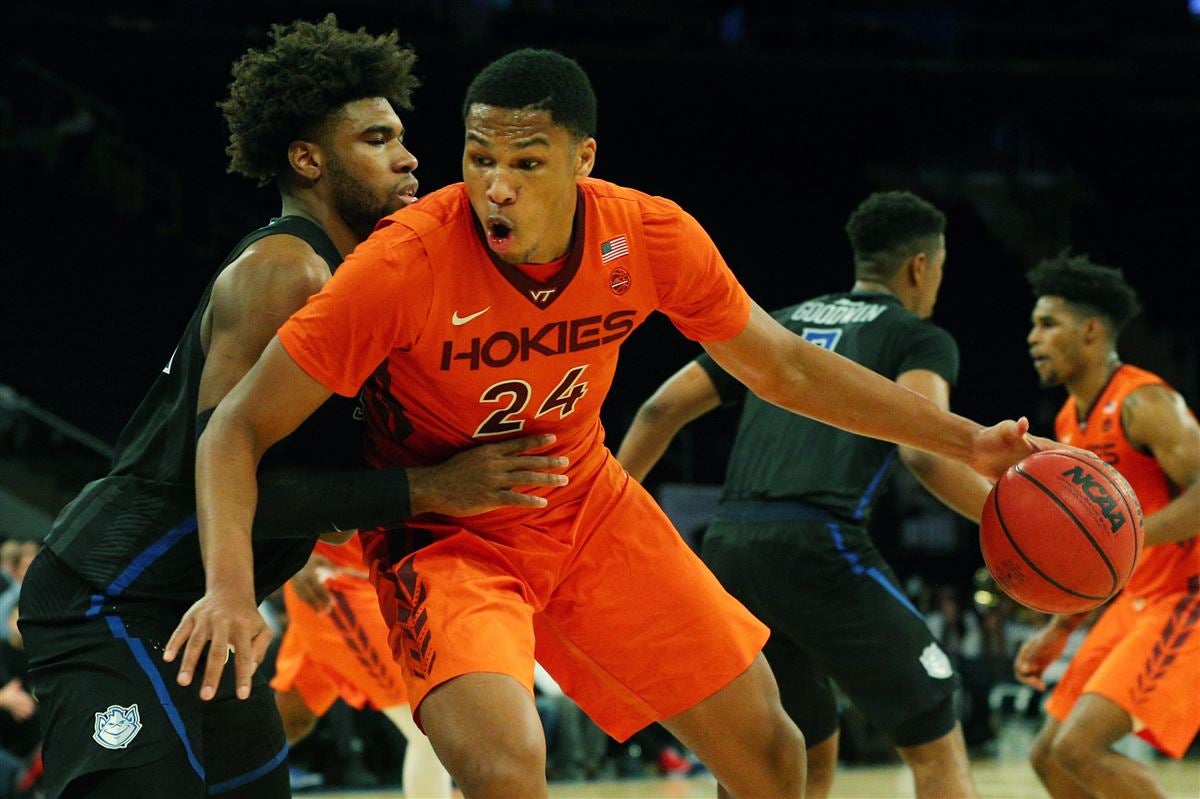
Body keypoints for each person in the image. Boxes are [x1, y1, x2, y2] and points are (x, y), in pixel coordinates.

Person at [175, 49, 1055, 799]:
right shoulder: (402, 263)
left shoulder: (651, 237)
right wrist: (227, 587)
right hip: (448, 533)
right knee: (508, 767)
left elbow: (783, 366)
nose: (495, 186)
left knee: (776, 756)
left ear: (583, 158)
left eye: (527, 162)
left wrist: (967, 439)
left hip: (587, 505)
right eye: (479, 157)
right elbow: (232, 430)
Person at [17, 17, 567, 798]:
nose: (409, 157)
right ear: (308, 159)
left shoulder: (357, 286)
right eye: (376, 139)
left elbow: (312, 496)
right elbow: (225, 473)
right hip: (113, 595)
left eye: (403, 136)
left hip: (199, 610)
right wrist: (434, 485)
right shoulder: (288, 270)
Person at [616, 191, 995, 798]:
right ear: (921, 267)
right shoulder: (917, 337)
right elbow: (923, 451)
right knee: (936, 742)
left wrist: (606, 507)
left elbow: (661, 408)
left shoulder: (782, 322)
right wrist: (1005, 528)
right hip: (819, 543)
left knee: (786, 754)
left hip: (731, 546)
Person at [1014, 253, 1200, 799]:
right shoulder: (1070, 423)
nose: (1032, 337)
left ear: (1091, 330)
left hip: (1187, 599)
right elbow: (1099, 556)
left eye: (1047, 324)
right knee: (1049, 757)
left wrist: (1129, 532)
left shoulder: (1145, 402)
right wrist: (1061, 627)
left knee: (1081, 750)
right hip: (1134, 600)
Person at [271, 539, 452, 798]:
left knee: (290, 719)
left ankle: (215, 782)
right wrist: (292, 555)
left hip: (369, 581)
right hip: (335, 584)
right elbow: (268, 500)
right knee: (429, 731)